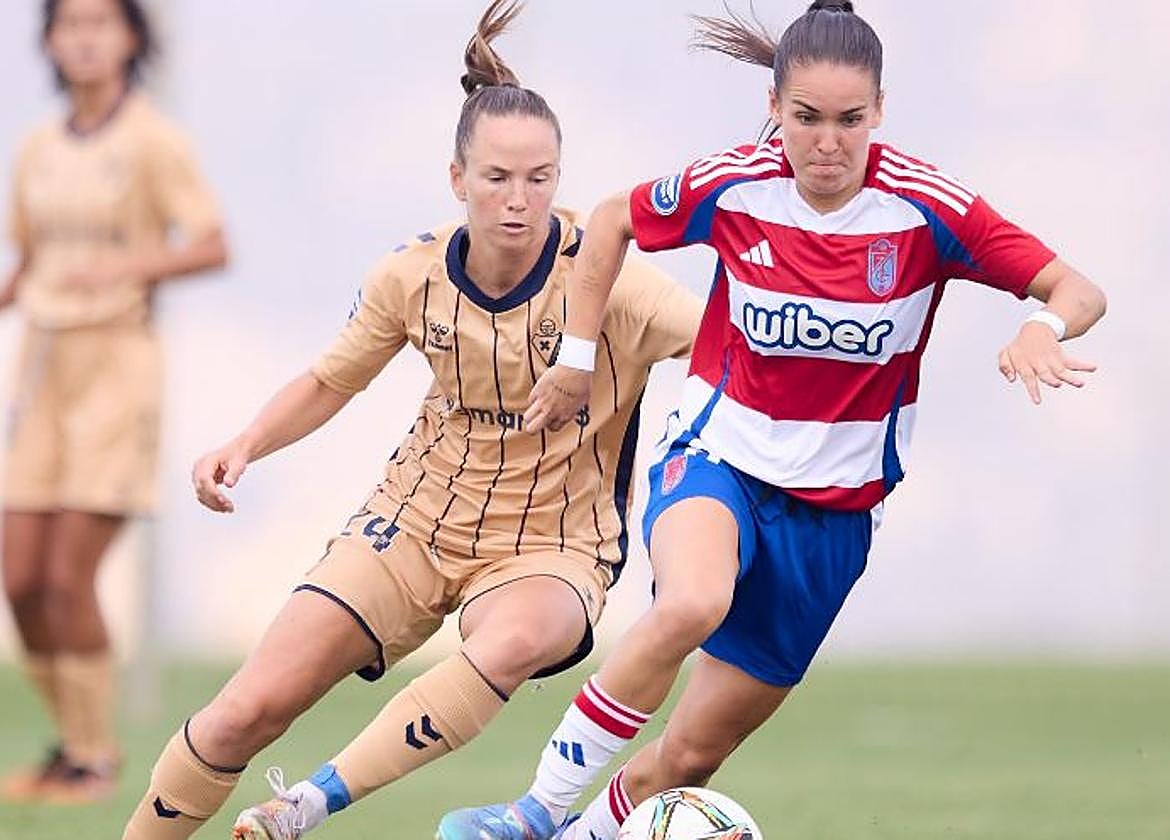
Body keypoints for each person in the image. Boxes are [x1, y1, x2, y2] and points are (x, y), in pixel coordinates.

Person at [440, 2, 1108, 838]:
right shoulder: (737, 185)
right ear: (773, 108)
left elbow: (1079, 290)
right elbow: (611, 220)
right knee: (693, 602)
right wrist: (575, 359)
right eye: (806, 118)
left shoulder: (928, 210)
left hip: (833, 517)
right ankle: (533, 813)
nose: (827, 143)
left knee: (689, 758)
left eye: (849, 120)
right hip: (718, 457)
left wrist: (1042, 326)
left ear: (880, 111)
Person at [118, 2, 701, 838]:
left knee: (508, 644)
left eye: (539, 178)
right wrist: (245, 443)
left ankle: (304, 806)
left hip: (555, 543)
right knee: (244, 710)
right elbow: (331, 380)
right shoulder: (410, 275)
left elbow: (731, 341)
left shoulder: (613, 281)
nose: (519, 199)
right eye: (497, 178)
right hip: (414, 520)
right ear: (458, 179)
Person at [0, 0, 228, 803]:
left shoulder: (153, 140)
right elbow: (30, 260)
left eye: (101, 22)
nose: (86, 38)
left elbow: (211, 243)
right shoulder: (38, 148)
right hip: (43, 367)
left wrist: (127, 267)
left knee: (69, 573)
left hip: (116, 367)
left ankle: (94, 763)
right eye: (70, 24)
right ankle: (74, 747)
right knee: (19, 575)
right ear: (49, 40)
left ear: (131, 36)